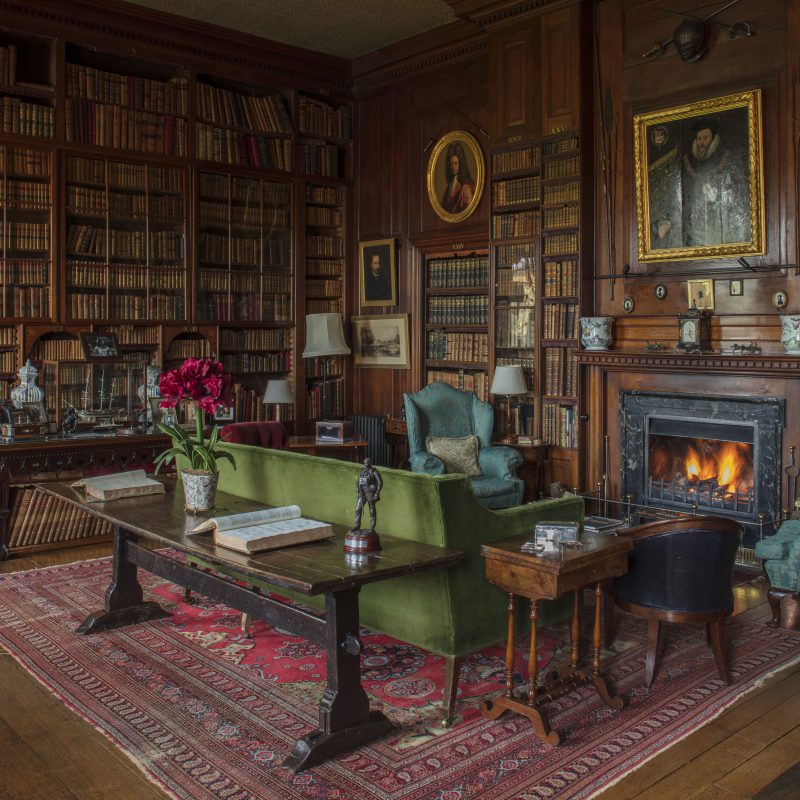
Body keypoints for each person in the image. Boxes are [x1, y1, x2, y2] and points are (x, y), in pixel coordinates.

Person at [680, 117, 748, 247]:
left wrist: (715, 190)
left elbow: (734, 189)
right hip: (696, 223)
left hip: (721, 221)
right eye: (699, 139)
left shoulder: (725, 157)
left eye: (705, 138)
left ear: (713, 139)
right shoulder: (689, 161)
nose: (701, 142)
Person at [441, 141, 475, 214]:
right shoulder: (449, 187)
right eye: (451, 164)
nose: (453, 166)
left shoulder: (466, 187)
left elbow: (468, 210)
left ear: (461, 164)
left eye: (455, 163)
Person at [352, 458, 383, 534]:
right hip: (362, 493)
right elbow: (358, 481)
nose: (366, 464)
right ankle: (357, 526)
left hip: (370, 493)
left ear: (370, 463)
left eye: (367, 462)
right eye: (365, 462)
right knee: (357, 509)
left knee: (372, 510)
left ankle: (372, 528)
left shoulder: (374, 472)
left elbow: (380, 483)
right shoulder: (362, 471)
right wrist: (357, 487)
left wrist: (377, 493)